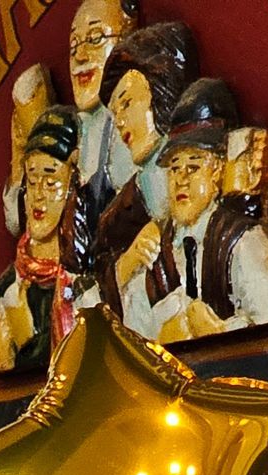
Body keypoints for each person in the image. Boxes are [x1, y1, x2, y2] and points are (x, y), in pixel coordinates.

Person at [117, 78, 268, 341]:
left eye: (193, 167)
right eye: (174, 168)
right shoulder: (158, 252)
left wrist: (220, 332)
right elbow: (134, 336)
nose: (181, 179)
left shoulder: (241, 239)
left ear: (217, 170)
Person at [2, 0, 139, 243]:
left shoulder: (132, 125)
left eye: (95, 39)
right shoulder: (71, 127)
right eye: (74, 45)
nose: (81, 56)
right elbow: (18, 215)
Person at [92, 22, 200, 315]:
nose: (121, 123)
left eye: (126, 103)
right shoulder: (120, 215)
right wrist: (126, 264)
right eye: (115, 115)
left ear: (161, 90)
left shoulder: (209, 172)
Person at [0, 107, 84, 377]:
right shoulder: (8, 288)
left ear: (72, 187)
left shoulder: (85, 282)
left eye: (51, 182)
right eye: (33, 180)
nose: (39, 195)